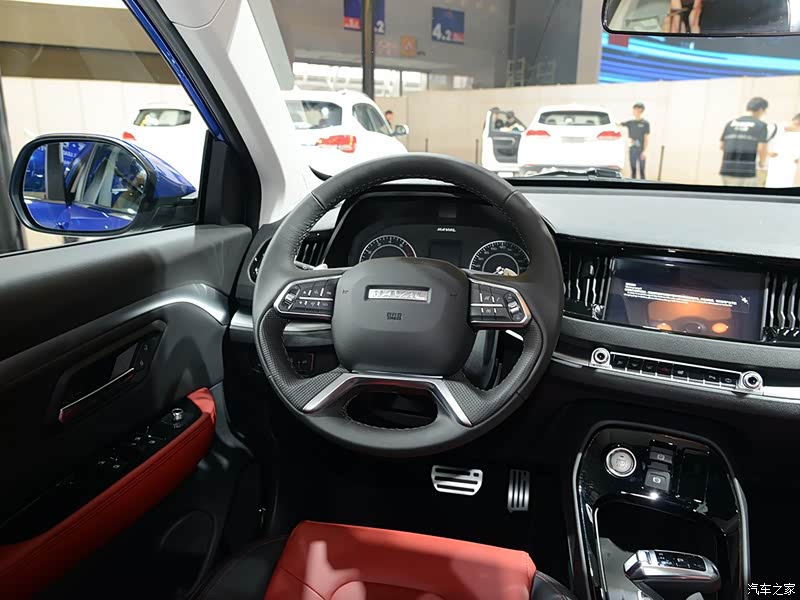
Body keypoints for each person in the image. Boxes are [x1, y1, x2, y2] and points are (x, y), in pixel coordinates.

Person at [719, 97, 769, 187]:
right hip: (746, 171)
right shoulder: (760, 125)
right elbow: (762, 148)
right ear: (761, 110)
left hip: (726, 169)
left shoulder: (730, 123)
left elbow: (722, 146)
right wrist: (762, 162)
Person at [766, 114, 800, 187]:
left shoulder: (797, 135)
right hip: (768, 170)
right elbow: (757, 144)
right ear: (797, 123)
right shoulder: (773, 128)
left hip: (789, 172)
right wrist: (767, 153)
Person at [620, 103, 650, 179]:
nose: (634, 111)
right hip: (632, 150)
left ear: (640, 110)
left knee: (642, 172)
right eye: (634, 109)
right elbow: (618, 124)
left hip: (641, 151)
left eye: (636, 109)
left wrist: (644, 151)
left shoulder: (645, 123)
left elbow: (646, 138)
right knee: (633, 171)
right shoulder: (630, 123)